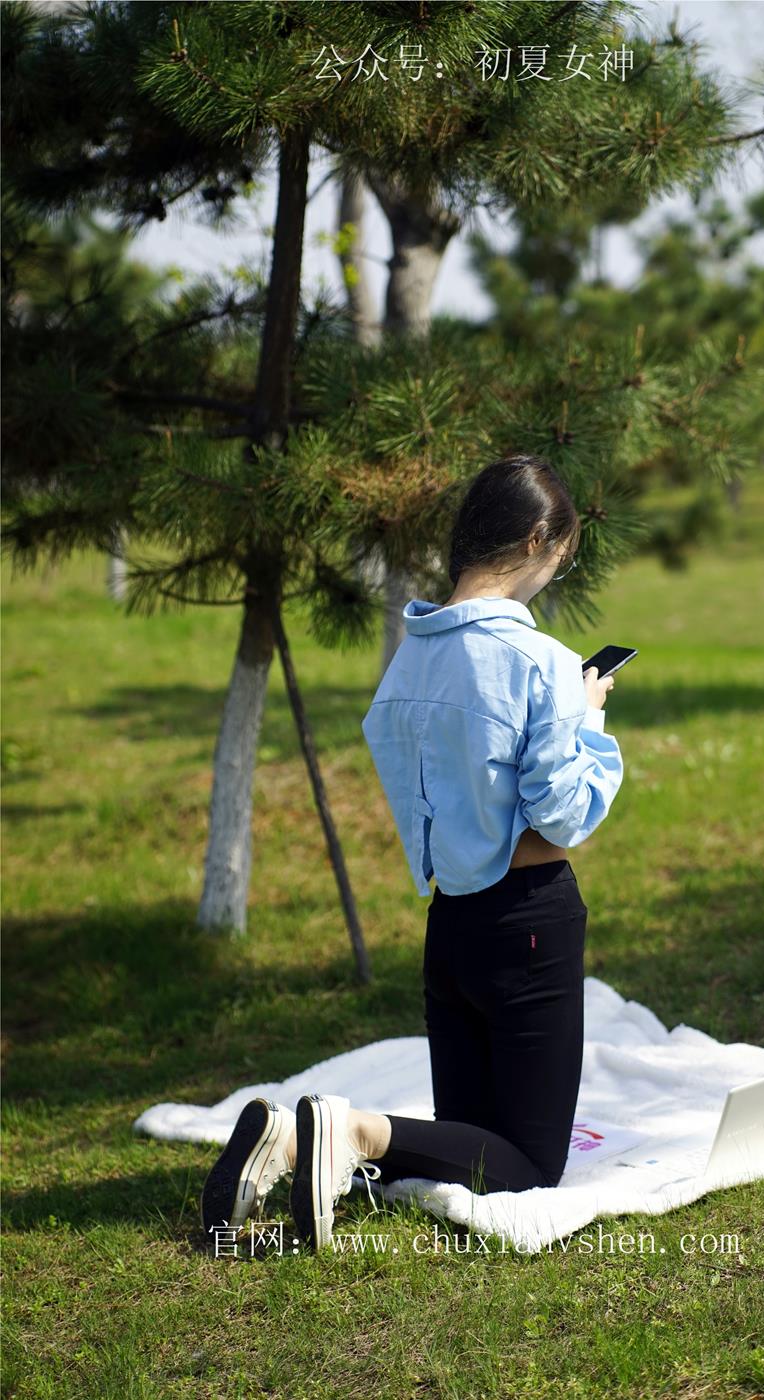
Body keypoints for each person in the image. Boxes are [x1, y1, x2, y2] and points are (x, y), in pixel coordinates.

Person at [200, 454, 625, 1250]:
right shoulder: (544, 664)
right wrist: (588, 714)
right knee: (530, 1165)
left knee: (461, 1147)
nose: (551, 576)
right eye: (558, 560)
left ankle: (296, 1147)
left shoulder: (406, 662)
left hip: (451, 925)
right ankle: (350, 1131)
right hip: (530, 921)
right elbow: (563, 817)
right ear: (538, 539)